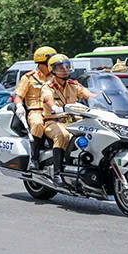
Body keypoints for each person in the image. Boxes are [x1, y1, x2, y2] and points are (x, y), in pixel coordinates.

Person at [41, 54, 97, 187]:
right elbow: (48, 98)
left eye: (67, 67)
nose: (65, 70)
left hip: (73, 120)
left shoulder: (74, 85)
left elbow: (89, 94)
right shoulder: (47, 87)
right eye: (61, 67)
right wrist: (55, 107)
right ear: (53, 70)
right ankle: (57, 174)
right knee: (62, 135)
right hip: (53, 121)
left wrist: (103, 99)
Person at [14, 46, 56, 170]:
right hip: (36, 111)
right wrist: (19, 106)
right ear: (42, 62)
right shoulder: (29, 78)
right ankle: (34, 158)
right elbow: (18, 96)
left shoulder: (55, 78)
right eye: (50, 62)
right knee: (37, 124)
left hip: (53, 111)